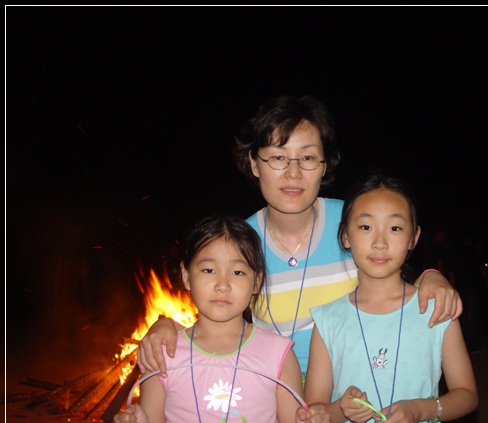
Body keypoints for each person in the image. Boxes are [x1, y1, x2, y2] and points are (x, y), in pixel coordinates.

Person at [136, 95, 463, 377]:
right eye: (278, 157)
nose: (293, 173)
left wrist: (430, 277)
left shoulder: (354, 222)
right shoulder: (238, 242)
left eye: (307, 158)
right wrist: (167, 325)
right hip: (277, 394)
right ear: (254, 164)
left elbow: (393, 276)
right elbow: (215, 313)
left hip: (357, 394)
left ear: (324, 165)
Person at [113, 215, 330, 423]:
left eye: (238, 272)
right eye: (208, 270)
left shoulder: (278, 353)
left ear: (257, 281)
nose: (222, 285)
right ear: (186, 276)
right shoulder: (163, 355)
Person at [304, 170, 478, 423]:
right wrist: (340, 410)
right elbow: (316, 411)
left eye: (395, 228)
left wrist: (420, 410)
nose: (380, 242)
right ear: (345, 234)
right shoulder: (327, 320)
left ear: (413, 238)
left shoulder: (436, 310)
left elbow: (466, 394)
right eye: (365, 227)